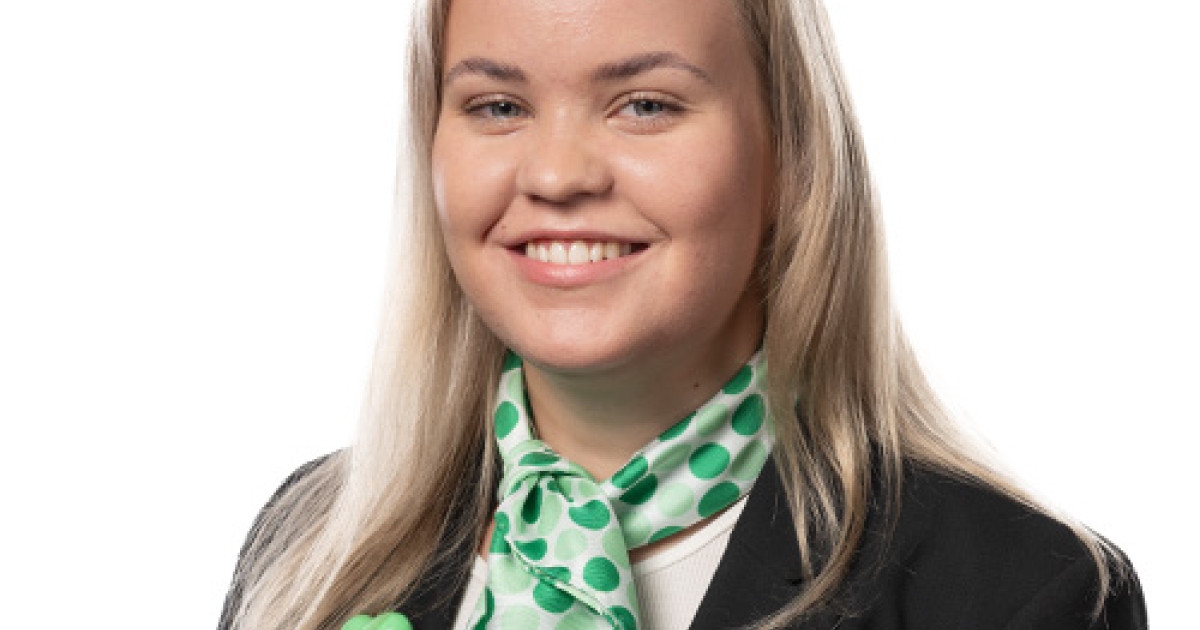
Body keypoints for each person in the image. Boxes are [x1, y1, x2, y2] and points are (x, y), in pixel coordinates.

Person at [219, 0, 1147, 628]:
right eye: (497, 106)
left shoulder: (1022, 595)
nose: (556, 175)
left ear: (789, 155)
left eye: (645, 105)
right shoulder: (310, 543)